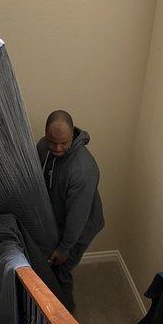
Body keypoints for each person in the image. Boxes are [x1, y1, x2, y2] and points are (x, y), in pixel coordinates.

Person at [37, 110, 105, 312]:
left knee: (61, 269)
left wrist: (64, 248)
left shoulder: (82, 170)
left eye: (63, 143)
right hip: (60, 217)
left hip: (82, 224)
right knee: (49, 265)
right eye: (52, 141)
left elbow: (78, 217)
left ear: (73, 137)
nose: (57, 148)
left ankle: (67, 319)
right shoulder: (43, 146)